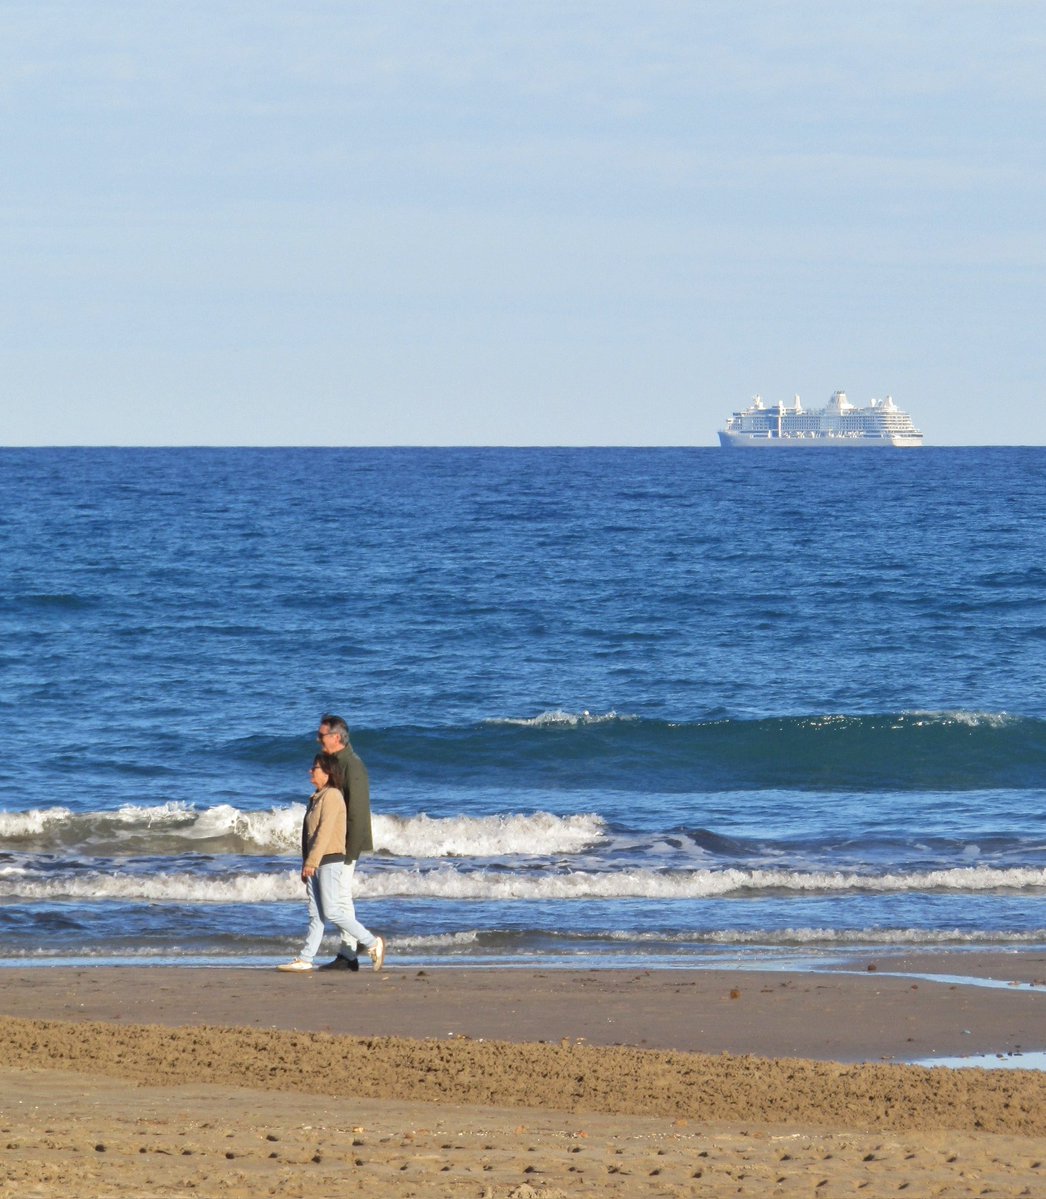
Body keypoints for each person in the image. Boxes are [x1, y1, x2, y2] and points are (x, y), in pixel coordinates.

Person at [277, 751, 385, 973]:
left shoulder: (333, 796)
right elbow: (309, 835)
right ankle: (306, 958)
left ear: (327, 773)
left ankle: (373, 943)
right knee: (316, 914)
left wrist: (312, 861)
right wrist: (306, 864)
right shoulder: (315, 798)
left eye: (315, 768)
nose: (311, 771)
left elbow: (325, 832)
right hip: (315, 862)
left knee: (332, 911)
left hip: (329, 860)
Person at [312, 713, 385, 972]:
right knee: (341, 899)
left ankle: (356, 950)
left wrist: (350, 851)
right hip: (335, 845)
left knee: (339, 900)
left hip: (345, 846)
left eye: (321, 735)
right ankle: (349, 953)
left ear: (336, 737)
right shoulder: (335, 762)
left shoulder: (353, 765)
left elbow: (357, 811)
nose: (318, 739)